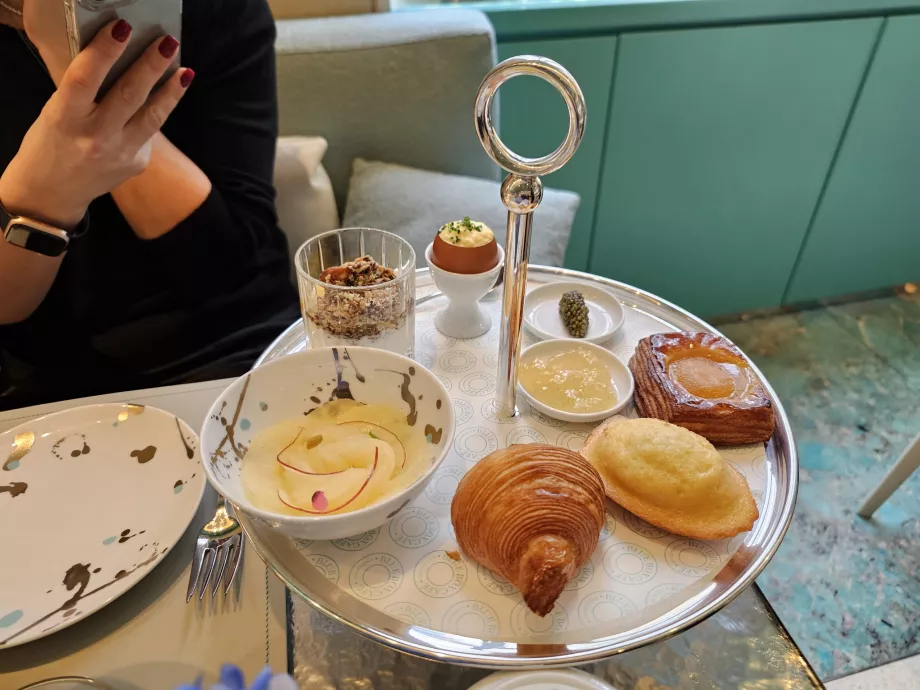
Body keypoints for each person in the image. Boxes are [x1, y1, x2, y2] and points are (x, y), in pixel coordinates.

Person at [0, 0, 299, 410]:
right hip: (50, 386)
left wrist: (78, 66)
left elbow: (228, 268)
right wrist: (44, 202)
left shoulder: (217, 11)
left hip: (235, 346)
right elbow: (7, 309)